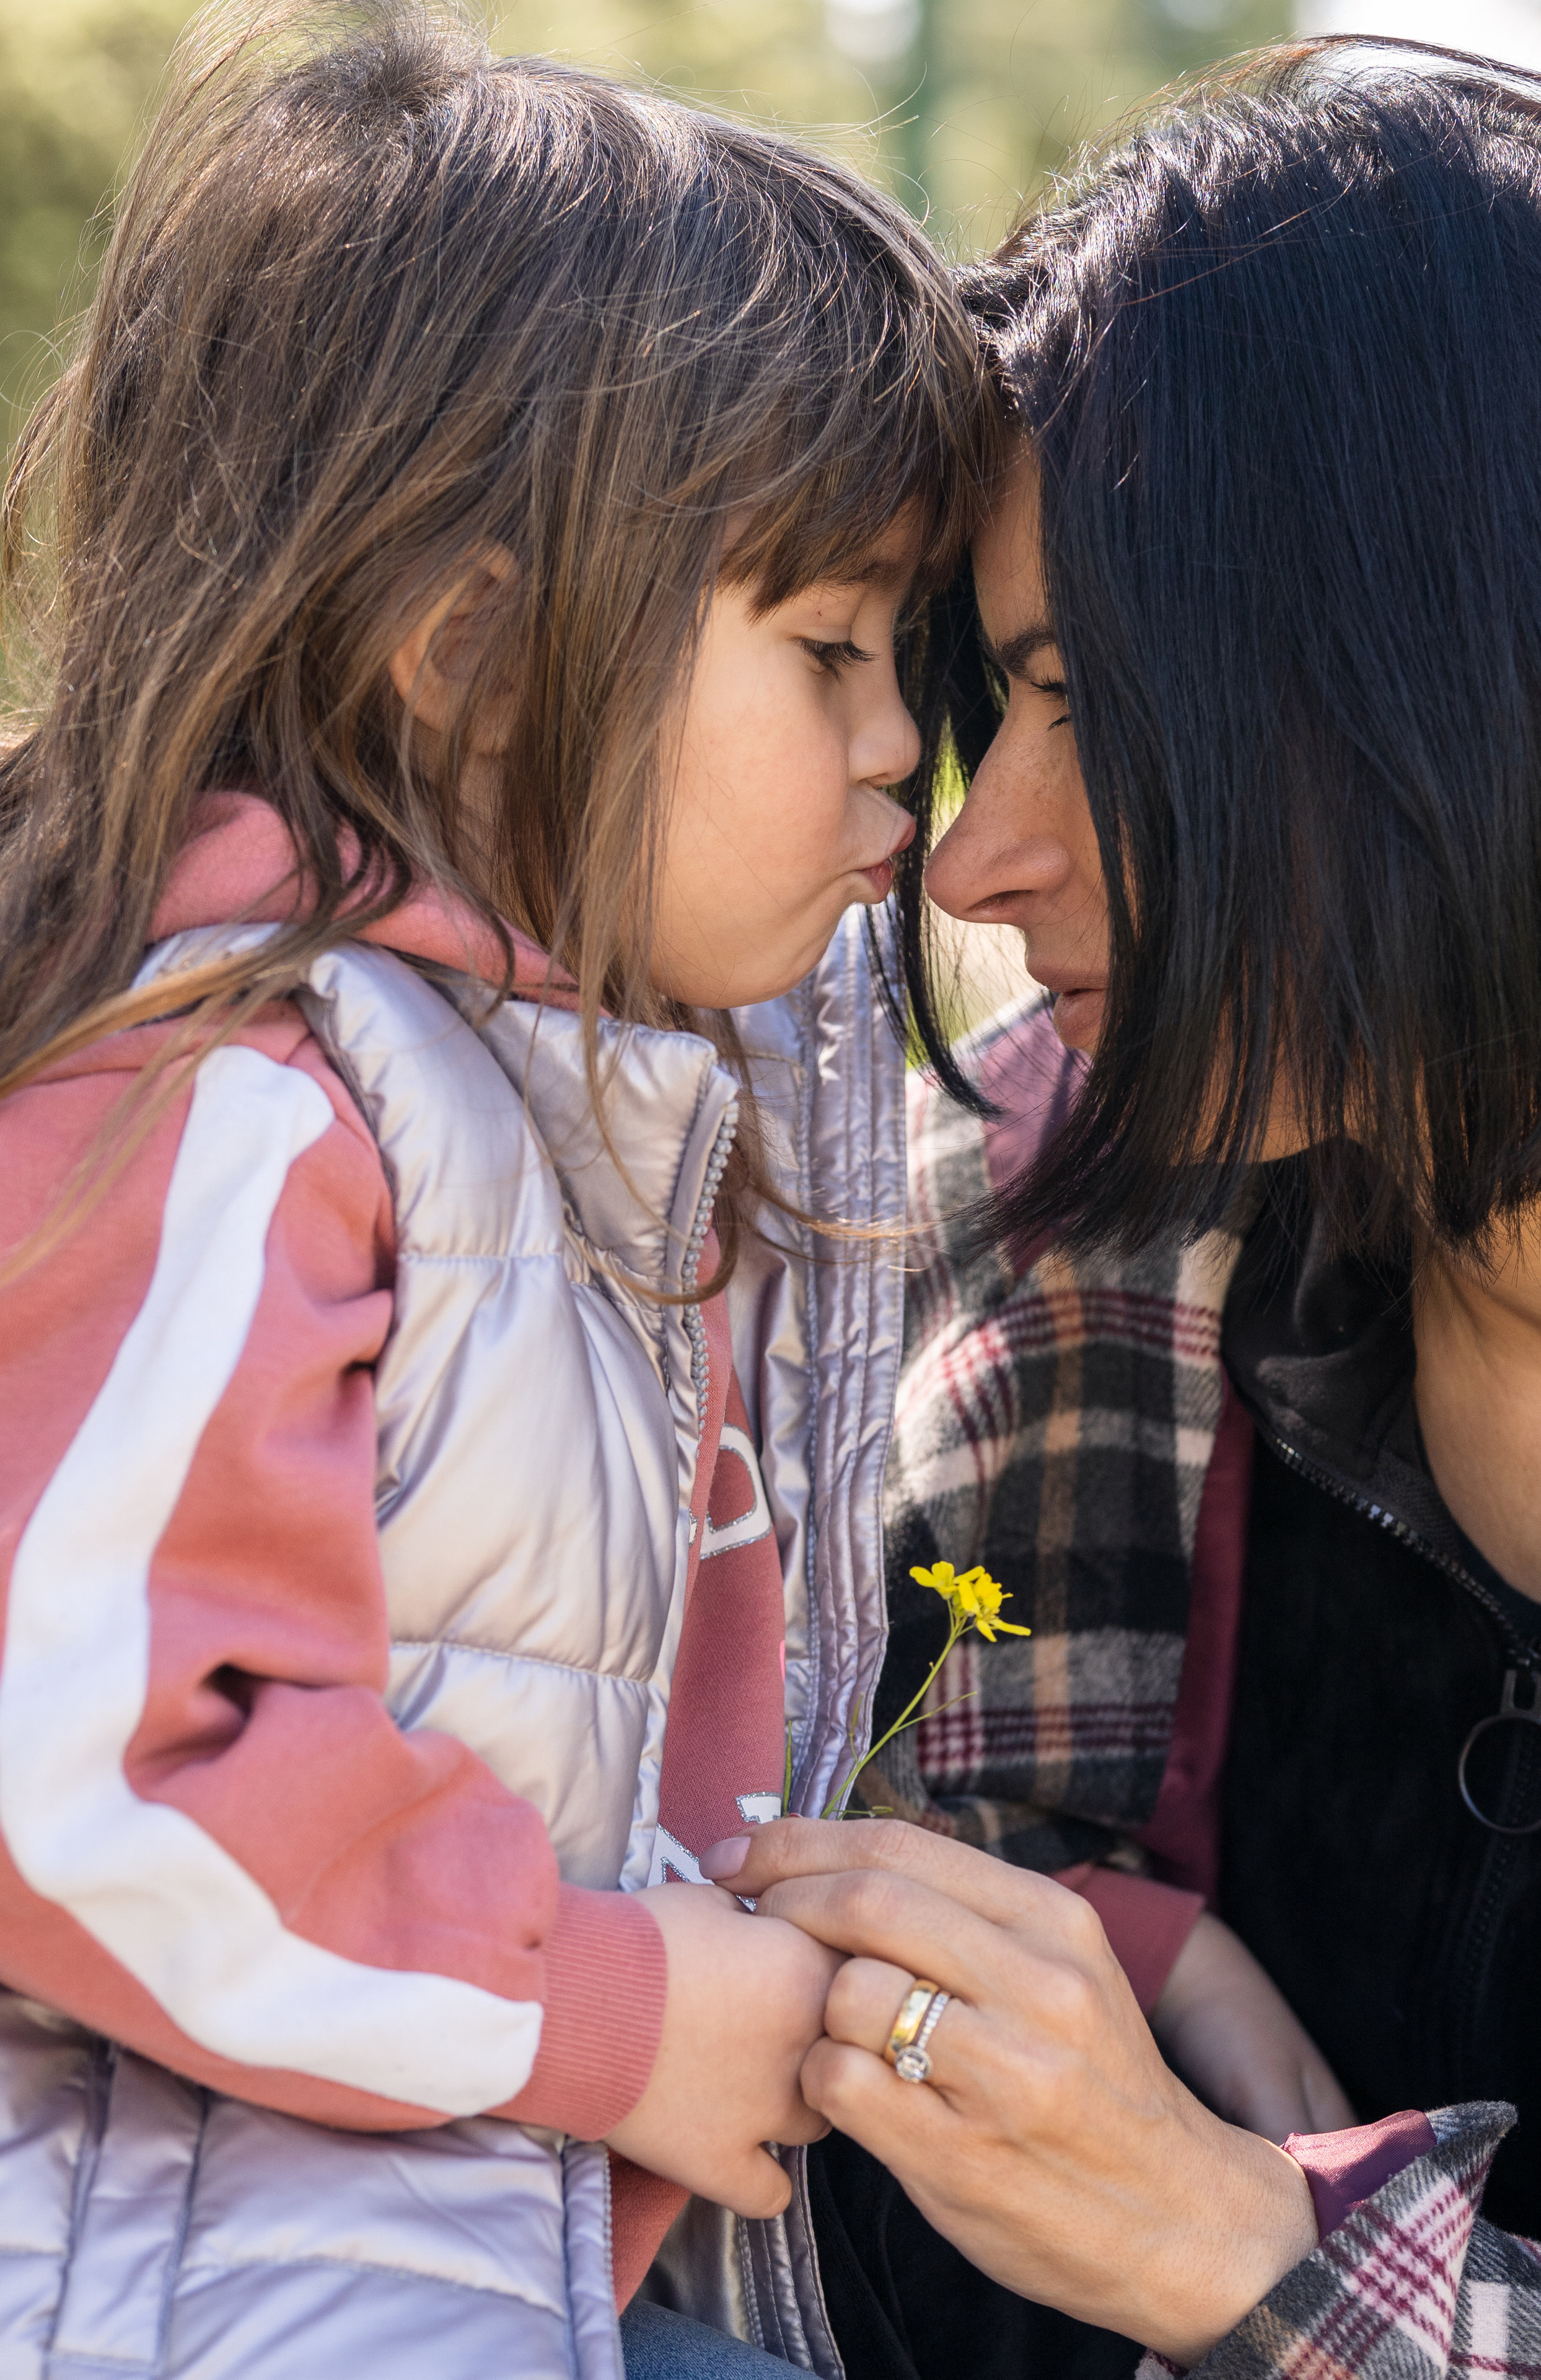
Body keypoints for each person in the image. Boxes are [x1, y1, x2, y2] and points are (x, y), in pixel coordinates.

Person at [0, 4, 996, 2371]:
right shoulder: (240, 1101)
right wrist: (620, 2013)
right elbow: (94, 1778)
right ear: (473, 653)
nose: (902, 770)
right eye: (838, 650)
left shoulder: (568, 1132)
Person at [700, 35, 1541, 2380]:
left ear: (1456, 671)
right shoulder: (1037, 1225)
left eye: (1094, 701)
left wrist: (1235, 2258)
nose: (972, 856)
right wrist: (1055, 1918)